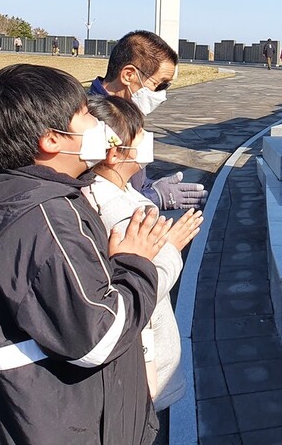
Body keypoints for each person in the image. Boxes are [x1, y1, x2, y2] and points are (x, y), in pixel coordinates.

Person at [0, 64, 174, 445]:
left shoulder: (11, 194)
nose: (97, 122)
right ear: (51, 140)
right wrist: (136, 263)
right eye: (86, 114)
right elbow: (96, 338)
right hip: (66, 425)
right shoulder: (47, 221)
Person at [83, 94, 203, 414]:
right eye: (140, 136)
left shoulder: (117, 191)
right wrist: (172, 248)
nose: (146, 141)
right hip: (140, 362)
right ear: (112, 153)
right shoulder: (116, 211)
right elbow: (141, 285)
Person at [90, 30, 208, 211]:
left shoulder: (129, 112)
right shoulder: (91, 121)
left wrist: (151, 186)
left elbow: (132, 182)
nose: (161, 94)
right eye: (159, 84)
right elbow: (92, 193)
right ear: (128, 75)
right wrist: (154, 197)